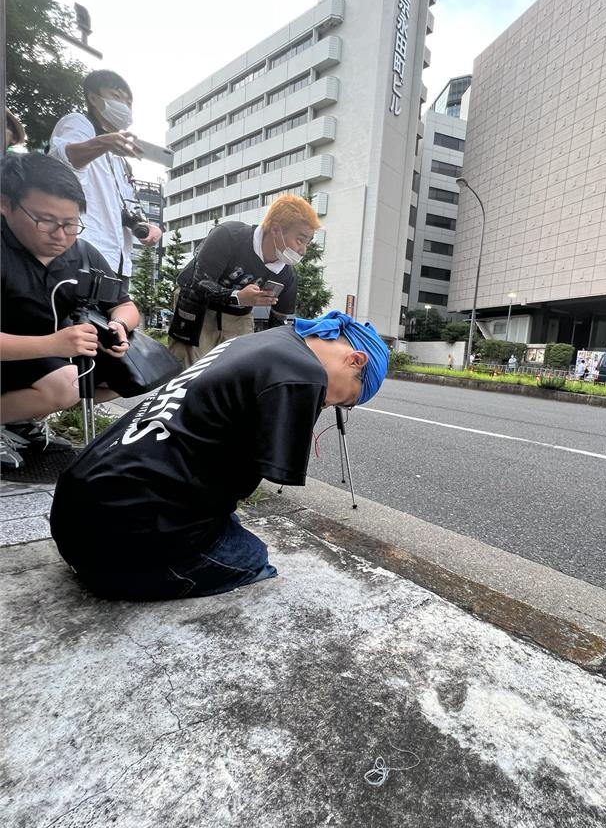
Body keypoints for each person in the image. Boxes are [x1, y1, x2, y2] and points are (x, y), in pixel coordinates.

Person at [49, 310, 389, 601]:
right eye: (345, 400)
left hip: (75, 512)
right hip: (117, 546)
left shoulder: (267, 340)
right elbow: (254, 474)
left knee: (225, 524)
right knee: (254, 558)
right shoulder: (305, 374)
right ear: (355, 360)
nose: (332, 404)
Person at [0, 153, 140, 467]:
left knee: (128, 374)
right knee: (66, 384)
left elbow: (125, 304)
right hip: (17, 355)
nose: (60, 235)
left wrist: (118, 324)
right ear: (5, 203)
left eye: (70, 223)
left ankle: (19, 419)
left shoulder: (82, 255)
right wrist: (52, 345)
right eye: (46, 220)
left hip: (40, 360)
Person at [168, 195, 320, 371]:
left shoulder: (286, 275)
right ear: (276, 229)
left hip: (238, 315)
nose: (303, 250)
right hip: (196, 301)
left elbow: (278, 322)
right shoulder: (229, 235)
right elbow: (200, 282)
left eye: (307, 243)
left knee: (236, 368)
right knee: (188, 369)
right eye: (300, 240)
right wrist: (238, 296)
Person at [48, 69, 162, 280]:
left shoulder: (120, 160)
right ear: (93, 97)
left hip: (118, 262)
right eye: (117, 97)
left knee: (117, 313)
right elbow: (64, 160)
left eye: (129, 102)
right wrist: (102, 143)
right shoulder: (80, 124)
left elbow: (123, 209)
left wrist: (144, 225)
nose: (125, 107)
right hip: (80, 252)